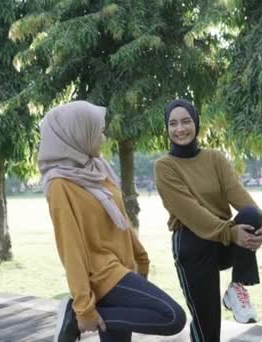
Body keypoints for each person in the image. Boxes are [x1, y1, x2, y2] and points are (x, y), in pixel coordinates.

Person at [38, 101, 187, 342]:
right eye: (98, 131)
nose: (103, 138)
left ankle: (78, 317)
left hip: (123, 267)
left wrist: (141, 257)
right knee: (172, 317)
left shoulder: (98, 168)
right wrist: (84, 309)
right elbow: (71, 249)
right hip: (103, 275)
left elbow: (122, 221)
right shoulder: (59, 185)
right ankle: (74, 320)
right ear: (78, 133)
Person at [154, 99, 262, 342]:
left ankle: (237, 287)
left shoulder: (215, 158)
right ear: (167, 129)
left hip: (222, 239)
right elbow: (191, 212)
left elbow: (240, 197)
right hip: (192, 243)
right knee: (207, 325)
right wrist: (231, 233)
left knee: (251, 215)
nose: (180, 129)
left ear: (196, 123)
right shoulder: (164, 166)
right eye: (173, 124)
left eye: (186, 121)